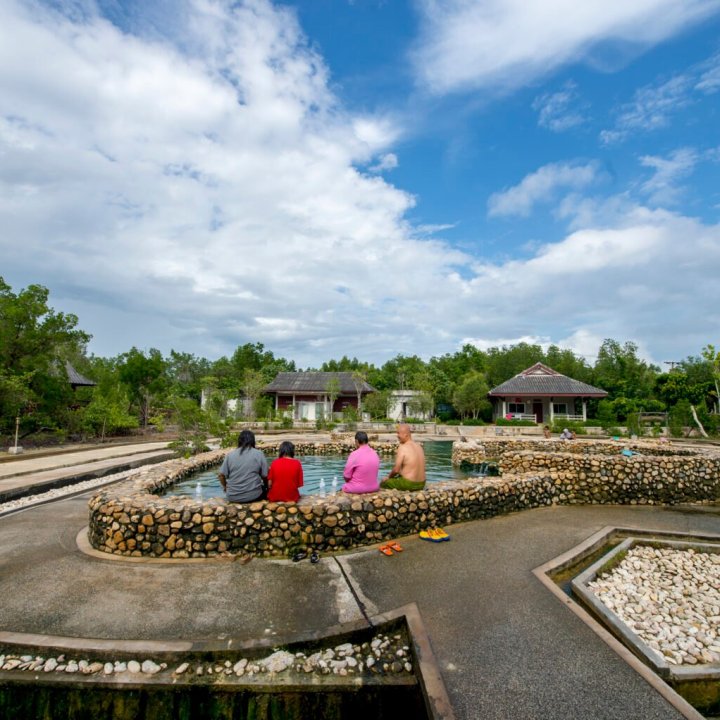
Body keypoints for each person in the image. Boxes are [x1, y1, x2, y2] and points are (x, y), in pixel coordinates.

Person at [218, 429, 268, 503]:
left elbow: (221, 475)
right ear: (252, 441)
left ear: (239, 441)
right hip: (254, 496)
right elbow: (265, 475)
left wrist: (225, 487)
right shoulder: (259, 454)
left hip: (232, 497)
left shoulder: (230, 455)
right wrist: (267, 486)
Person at [380, 423, 426, 491]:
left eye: (398, 433)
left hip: (409, 484)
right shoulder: (419, 446)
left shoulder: (402, 447)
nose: (397, 436)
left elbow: (396, 470)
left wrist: (388, 477)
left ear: (406, 435)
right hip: (422, 484)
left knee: (383, 483)